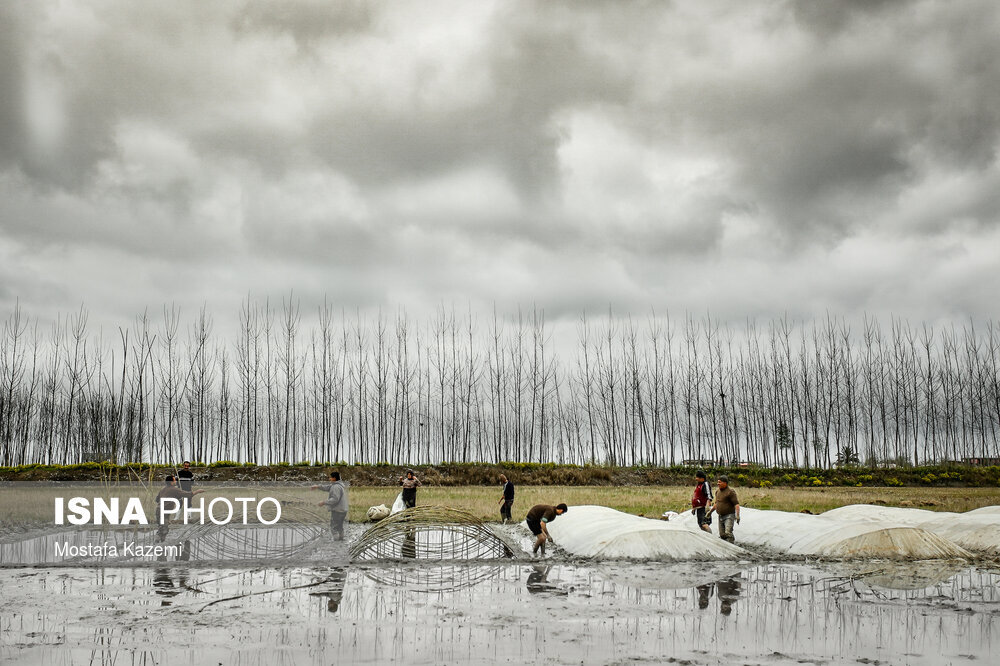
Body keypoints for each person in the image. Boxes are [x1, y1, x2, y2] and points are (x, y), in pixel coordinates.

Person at [154, 475, 205, 541]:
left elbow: (157, 500)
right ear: (171, 482)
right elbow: (188, 494)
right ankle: (158, 544)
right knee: (164, 530)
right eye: (174, 480)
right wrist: (198, 491)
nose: (176, 481)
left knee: (162, 528)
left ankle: (160, 544)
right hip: (164, 512)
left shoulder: (163, 489)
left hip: (159, 511)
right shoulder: (174, 489)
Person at [312, 471, 349, 540]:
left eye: (331, 477)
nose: (329, 479)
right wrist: (317, 486)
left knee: (334, 527)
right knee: (340, 526)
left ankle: (336, 543)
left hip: (338, 511)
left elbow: (335, 499)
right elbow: (327, 487)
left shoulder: (336, 487)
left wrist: (324, 502)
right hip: (343, 510)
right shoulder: (337, 485)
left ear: (334, 478)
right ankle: (341, 540)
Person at [712, 475, 740, 543]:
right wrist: (710, 512)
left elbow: (736, 504)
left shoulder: (730, 492)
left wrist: (737, 515)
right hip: (720, 516)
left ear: (725, 483)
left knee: (728, 532)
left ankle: (731, 544)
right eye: (718, 482)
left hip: (729, 515)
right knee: (722, 535)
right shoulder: (717, 492)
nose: (718, 484)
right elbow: (716, 504)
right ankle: (725, 546)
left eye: (720, 482)